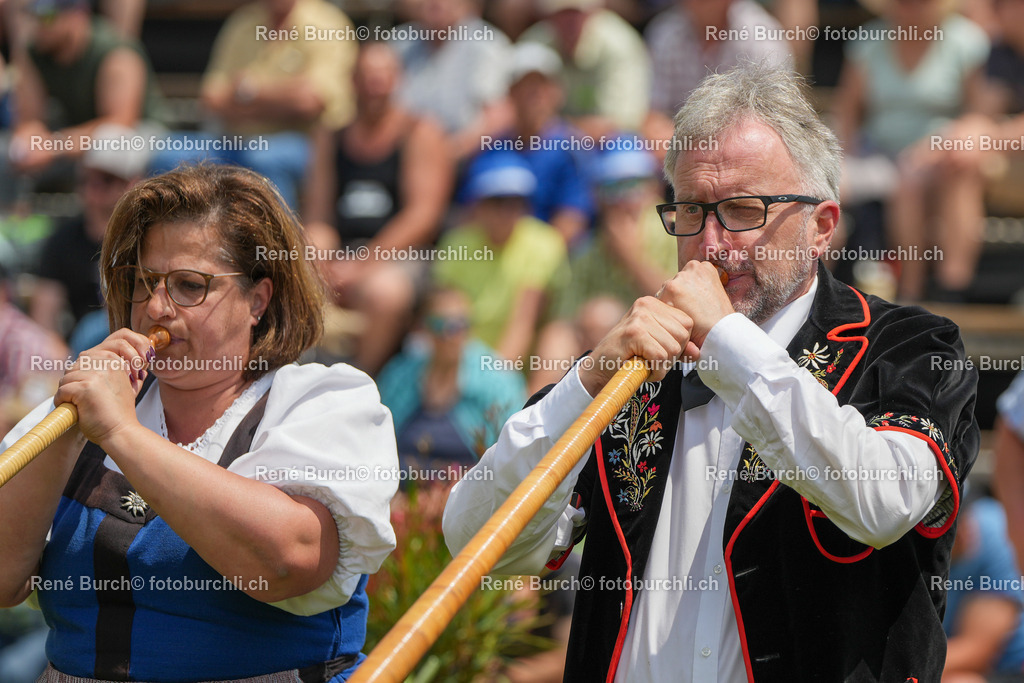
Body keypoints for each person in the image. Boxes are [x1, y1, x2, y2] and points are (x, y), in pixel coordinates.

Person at [443, 62, 980, 682]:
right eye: (692, 211)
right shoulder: (631, 372)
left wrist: (727, 342)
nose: (713, 243)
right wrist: (584, 381)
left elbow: (882, 502)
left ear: (822, 227)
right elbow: (478, 543)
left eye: (744, 211)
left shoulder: (909, 346)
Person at [0, 164, 399, 681]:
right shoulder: (80, 411)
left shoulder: (322, 402)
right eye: (144, 283)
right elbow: (4, 581)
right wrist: (68, 428)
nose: (157, 308)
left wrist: (122, 435)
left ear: (258, 299)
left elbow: (287, 561)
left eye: (190, 286)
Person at [304, 41, 452, 375]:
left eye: (383, 77)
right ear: (352, 81)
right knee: (301, 260)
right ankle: (302, 373)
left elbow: (422, 217)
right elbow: (318, 213)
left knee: (384, 293)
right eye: (367, 77)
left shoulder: (420, 133)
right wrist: (323, 260)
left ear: (398, 80)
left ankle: (360, 381)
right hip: (343, 250)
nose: (375, 86)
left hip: (401, 255)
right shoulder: (330, 137)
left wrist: (361, 265)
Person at [152, 0, 358, 209]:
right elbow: (211, 98)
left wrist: (249, 91)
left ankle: (275, 240)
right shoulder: (244, 21)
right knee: (168, 153)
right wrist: (281, 99)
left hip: (307, 144)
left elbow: (310, 102)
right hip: (234, 141)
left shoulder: (328, 24)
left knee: (265, 158)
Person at [434, 151, 566, 364]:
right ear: (477, 204)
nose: (507, 210)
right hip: (462, 358)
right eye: (498, 200)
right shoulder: (457, 244)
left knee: (556, 337)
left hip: (518, 365)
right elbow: (449, 314)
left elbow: (524, 322)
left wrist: (494, 377)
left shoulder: (544, 244)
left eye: (516, 201)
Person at [9, 0, 166, 179]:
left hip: (143, 134)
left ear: (77, 15)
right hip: (76, 136)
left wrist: (55, 146)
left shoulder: (115, 50)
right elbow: (29, 119)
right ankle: (17, 206)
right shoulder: (34, 52)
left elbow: (120, 123)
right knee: (12, 150)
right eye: (35, 16)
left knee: (109, 150)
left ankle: (117, 207)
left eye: (48, 16)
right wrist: (30, 138)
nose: (39, 25)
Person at [376, 287, 526, 469]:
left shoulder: (499, 383)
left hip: (469, 494)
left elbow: (514, 458)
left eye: (460, 324)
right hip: (402, 491)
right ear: (423, 327)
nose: (451, 335)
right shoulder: (399, 377)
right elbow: (377, 444)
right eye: (440, 325)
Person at [520, 0, 651, 138]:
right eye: (562, 14)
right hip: (548, 141)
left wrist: (557, 129)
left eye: (576, 13)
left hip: (610, 144)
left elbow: (620, 121)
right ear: (548, 17)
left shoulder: (620, 44)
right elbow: (517, 114)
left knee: (626, 157)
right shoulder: (533, 43)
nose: (570, 21)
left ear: (593, 13)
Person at [943, 494, 1024, 682]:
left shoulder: (996, 530)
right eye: (949, 518)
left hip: (1010, 670)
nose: (966, 532)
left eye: (963, 514)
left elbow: (976, 652)